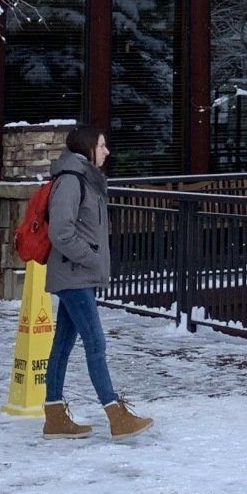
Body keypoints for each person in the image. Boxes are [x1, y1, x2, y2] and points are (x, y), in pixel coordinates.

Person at [40, 125, 154, 441]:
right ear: (88, 148)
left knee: (62, 345)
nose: (107, 152)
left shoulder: (86, 180)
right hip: (74, 274)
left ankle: (54, 415)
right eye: (102, 146)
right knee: (96, 343)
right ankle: (115, 414)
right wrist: (90, 255)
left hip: (79, 274)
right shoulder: (71, 181)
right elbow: (61, 232)